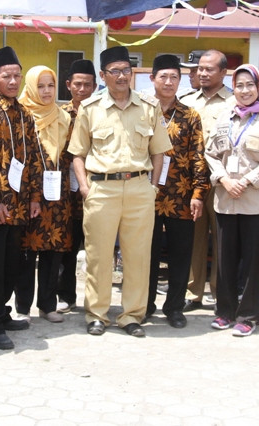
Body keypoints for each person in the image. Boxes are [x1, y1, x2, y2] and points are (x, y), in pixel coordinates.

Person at [68, 45, 172, 338]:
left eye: (126, 70)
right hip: (101, 189)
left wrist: (152, 187)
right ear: (103, 75)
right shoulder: (90, 109)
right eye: (115, 71)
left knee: (138, 255)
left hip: (139, 188)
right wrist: (86, 188)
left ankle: (131, 316)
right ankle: (97, 314)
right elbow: (77, 153)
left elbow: (159, 152)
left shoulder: (149, 107)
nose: (122, 76)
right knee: (99, 255)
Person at [204, 64, 259, 337]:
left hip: (257, 200)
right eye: (239, 85)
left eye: (250, 85)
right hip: (227, 198)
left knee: (253, 260)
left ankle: (249, 315)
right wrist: (223, 179)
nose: (244, 90)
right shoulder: (225, 117)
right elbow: (210, 153)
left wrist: (248, 180)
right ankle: (224, 311)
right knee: (225, 258)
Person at [0, 46, 42, 350]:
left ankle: (1, 312)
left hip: (21, 203)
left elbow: (34, 158)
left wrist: (34, 197)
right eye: (6, 76)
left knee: (14, 262)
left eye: (17, 75)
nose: (13, 81)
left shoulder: (24, 113)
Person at [146, 54, 208, 328]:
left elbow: (198, 155)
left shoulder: (190, 115)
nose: (169, 82)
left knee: (181, 253)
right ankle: (144, 304)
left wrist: (198, 194)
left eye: (174, 77)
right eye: (163, 77)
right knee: (145, 252)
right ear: (152, 79)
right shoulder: (142, 111)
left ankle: (174, 307)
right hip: (145, 195)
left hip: (180, 196)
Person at [15, 66, 75, 323]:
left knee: (53, 251)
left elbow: (70, 156)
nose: (47, 91)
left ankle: (48, 305)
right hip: (28, 196)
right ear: (30, 87)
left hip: (57, 196)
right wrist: (30, 195)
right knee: (26, 254)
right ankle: (23, 308)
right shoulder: (19, 115)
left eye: (50, 85)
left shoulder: (64, 117)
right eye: (40, 86)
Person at [181, 49, 233, 312]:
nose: (202, 73)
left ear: (223, 72)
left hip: (224, 181)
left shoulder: (234, 102)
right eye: (199, 68)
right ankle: (194, 292)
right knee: (195, 237)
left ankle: (220, 291)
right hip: (193, 182)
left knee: (223, 238)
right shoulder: (187, 101)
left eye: (209, 69)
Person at [57, 59, 97, 313]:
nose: (82, 90)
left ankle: (94, 300)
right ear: (68, 85)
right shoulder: (59, 115)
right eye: (78, 84)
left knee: (96, 248)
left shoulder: (101, 111)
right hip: (65, 192)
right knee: (66, 247)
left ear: (95, 86)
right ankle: (65, 296)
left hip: (96, 189)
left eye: (88, 85)